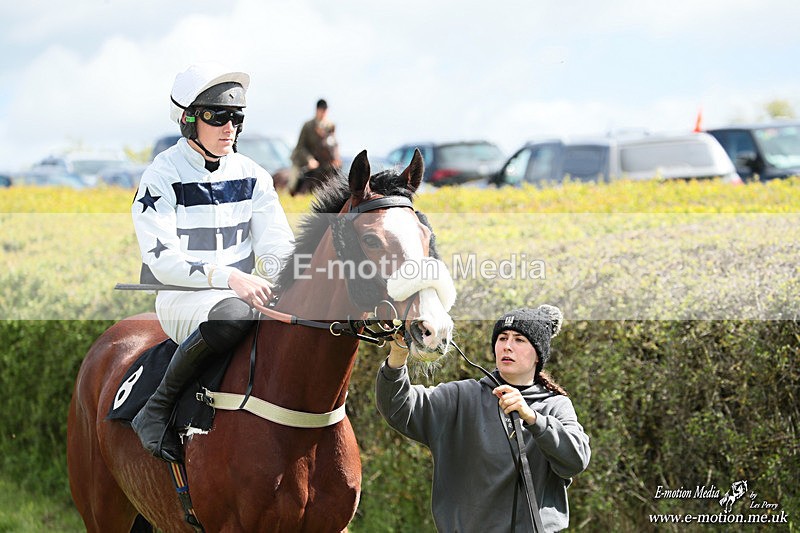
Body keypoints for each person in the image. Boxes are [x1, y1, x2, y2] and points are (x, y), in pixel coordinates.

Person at [130, 63, 295, 462]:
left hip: (241, 293)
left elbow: (277, 245)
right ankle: (155, 409)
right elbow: (162, 261)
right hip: (183, 298)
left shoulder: (254, 175)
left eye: (236, 118)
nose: (229, 128)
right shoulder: (160, 176)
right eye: (216, 116)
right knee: (234, 314)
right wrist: (230, 277)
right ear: (188, 120)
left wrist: (289, 281)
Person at [376, 305, 591, 532]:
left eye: (519, 340)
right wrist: (398, 356)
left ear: (538, 354)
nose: (507, 346)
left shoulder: (555, 406)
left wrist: (533, 419)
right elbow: (398, 408)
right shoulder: (462, 396)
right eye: (502, 338)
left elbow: (575, 461)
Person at [289, 98, 341, 194]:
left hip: (322, 160)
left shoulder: (330, 126)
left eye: (325, 110)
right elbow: (300, 146)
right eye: (322, 110)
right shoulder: (307, 125)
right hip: (304, 159)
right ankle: (291, 191)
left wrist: (336, 158)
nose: (323, 113)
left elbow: (333, 144)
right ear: (317, 110)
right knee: (293, 182)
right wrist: (309, 160)